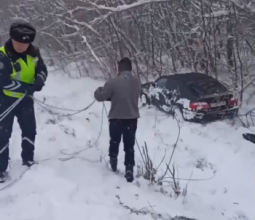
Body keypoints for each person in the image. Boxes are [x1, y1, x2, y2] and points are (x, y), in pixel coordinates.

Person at [0, 22, 48, 183]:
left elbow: (42, 69)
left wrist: (39, 82)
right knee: (2, 134)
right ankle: (0, 168)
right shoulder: (2, 55)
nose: (22, 46)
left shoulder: (34, 53)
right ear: (12, 39)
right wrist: (25, 87)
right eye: (19, 43)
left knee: (29, 130)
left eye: (25, 43)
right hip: (5, 100)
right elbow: (3, 80)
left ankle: (28, 159)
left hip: (25, 101)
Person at [94, 57, 141, 182]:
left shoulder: (113, 82)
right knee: (129, 145)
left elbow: (100, 96)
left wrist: (98, 90)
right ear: (130, 68)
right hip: (132, 118)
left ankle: (113, 163)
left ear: (119, 68)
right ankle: (129, 169)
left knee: (115, 141)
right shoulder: (137, 82)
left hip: (116, 118)